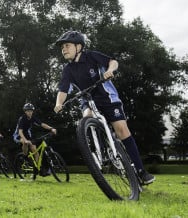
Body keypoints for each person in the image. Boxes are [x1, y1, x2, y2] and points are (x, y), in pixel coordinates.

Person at [53, 30, 155, 185]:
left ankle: (141, 171)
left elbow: (113, 62)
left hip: (107, 97)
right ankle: (101, 151)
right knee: (86, 118)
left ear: (78, 46)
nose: (63, 49)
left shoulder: (91, 56)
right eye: (62, 48)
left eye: (67, 45)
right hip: (87, 100)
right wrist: (58, 103)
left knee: (121, 129)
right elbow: (63, 89)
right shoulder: (68, 69)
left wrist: (109, 71)